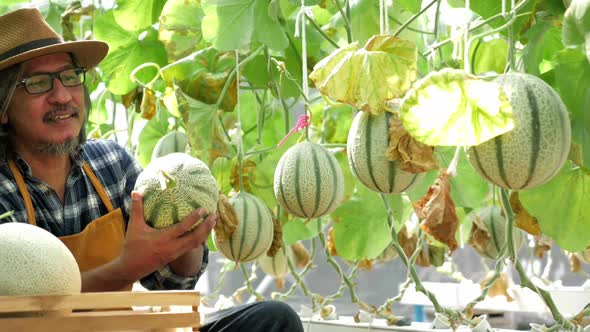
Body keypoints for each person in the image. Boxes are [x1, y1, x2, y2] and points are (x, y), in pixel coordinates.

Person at [0, 7, 303, 332]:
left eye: (69, 76)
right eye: (37, 83)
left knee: (274, 319)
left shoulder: (112, 165)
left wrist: (187, 232)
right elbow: (23, 310)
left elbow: (171, 281)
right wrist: (127, 267)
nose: (61, 95)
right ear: (3, 106)